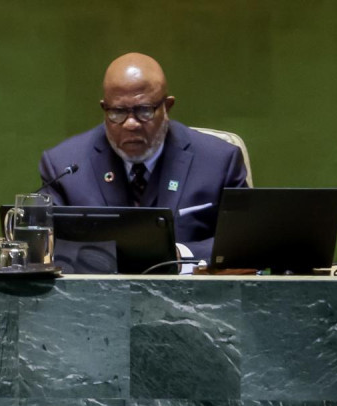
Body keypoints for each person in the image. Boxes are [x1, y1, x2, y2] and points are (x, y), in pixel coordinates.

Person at [36, 53, 249, 260]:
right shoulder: (64, 166)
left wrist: (179, 255)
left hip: (195, 293)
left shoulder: (219, 161)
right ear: (104, 108)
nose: (131, 124)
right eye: (118, 112)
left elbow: (243, 241)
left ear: (167, 107)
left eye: (144, 110)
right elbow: (46, 247)